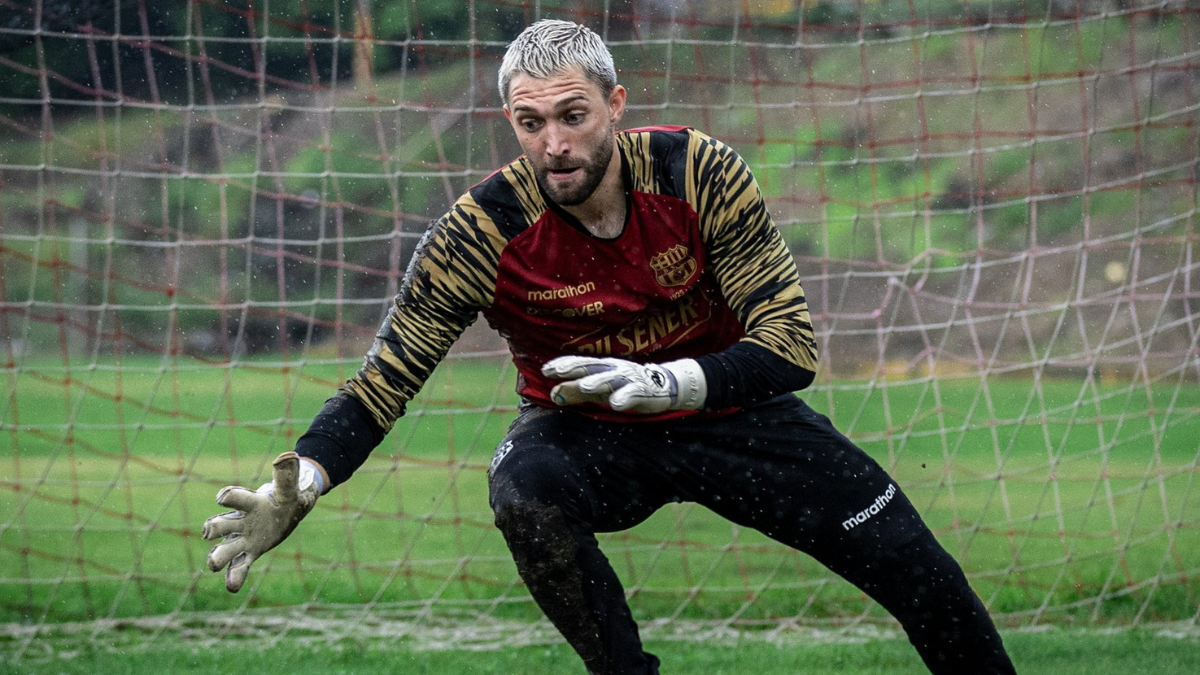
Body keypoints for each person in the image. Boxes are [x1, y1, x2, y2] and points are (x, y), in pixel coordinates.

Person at [202, 19, 1017, 675]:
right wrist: (303, 480)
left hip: (727, 403)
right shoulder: (481, 230)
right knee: (523, 488)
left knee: (921, 573)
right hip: (586, 434)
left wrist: (668, 383)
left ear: (615, 103)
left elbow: (790, 343)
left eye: (572, 115)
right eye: (531, 122)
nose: (553, 142)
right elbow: (386, 379)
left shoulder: (699, 172)